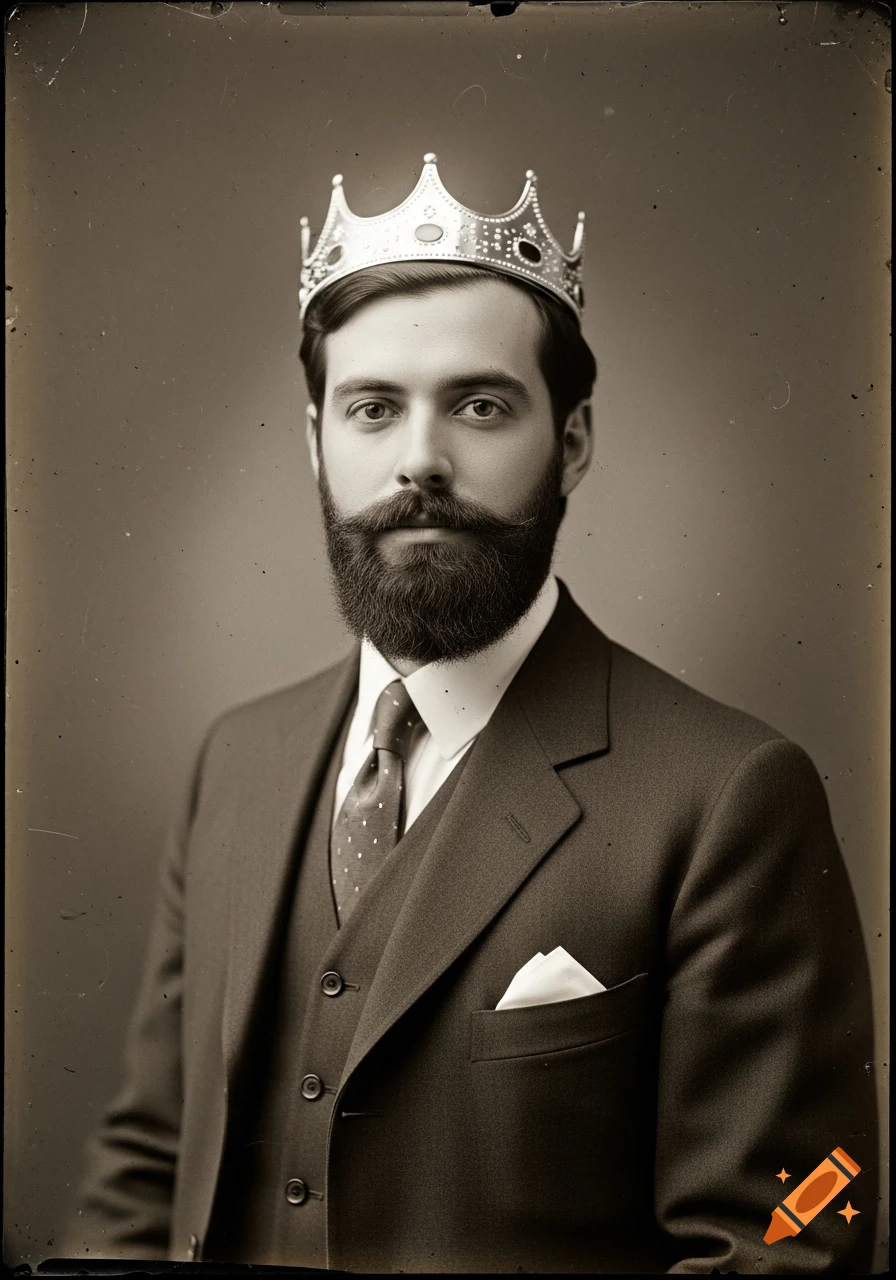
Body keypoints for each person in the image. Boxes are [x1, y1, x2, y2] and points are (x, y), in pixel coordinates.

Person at [66, 154, 876, 1274]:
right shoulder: (236, 760)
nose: (418, 461)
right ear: (314, 442)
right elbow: (148, 1162)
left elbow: (784, 1239)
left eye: (480, 404)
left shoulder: (726, 793)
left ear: (572, 442)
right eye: (371, 407)